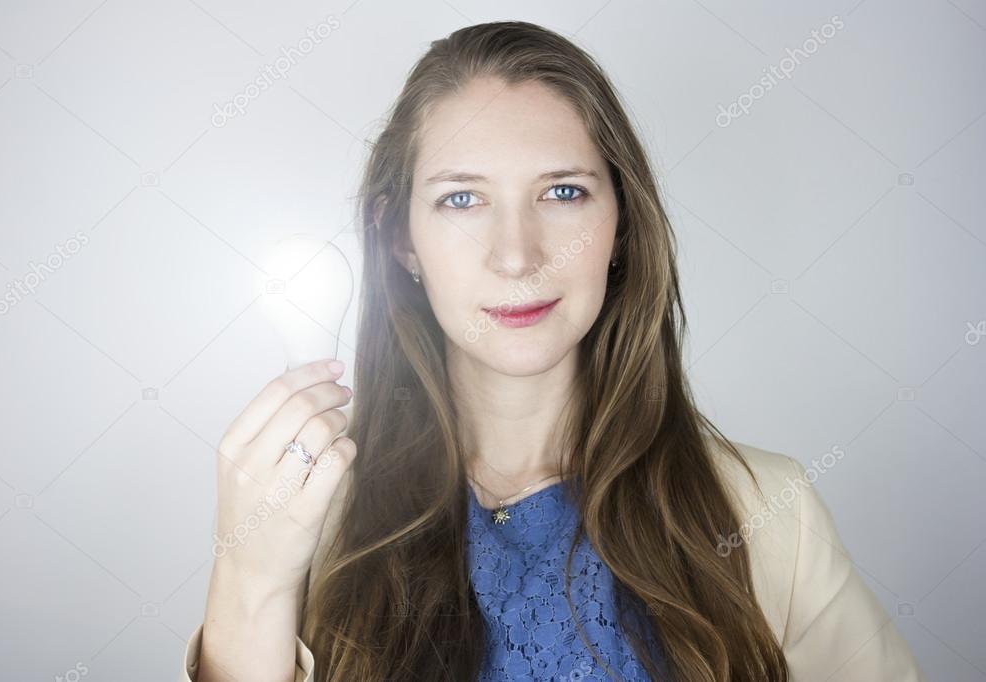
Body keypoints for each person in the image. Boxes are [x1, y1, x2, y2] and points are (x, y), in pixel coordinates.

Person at [180, 20, 926, 681]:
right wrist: (248, 574)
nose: (515, 255)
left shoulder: (770, 513)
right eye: (461, 199)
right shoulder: (304, 516)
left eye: (563, 192)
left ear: (620, 224)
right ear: (400, 238)